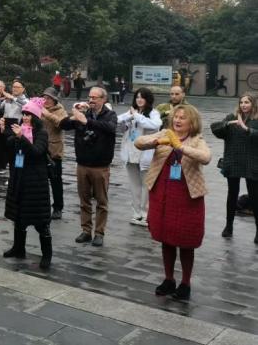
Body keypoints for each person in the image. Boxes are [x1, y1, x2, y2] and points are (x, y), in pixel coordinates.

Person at [135, 105, 211, 300]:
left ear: (192, 122)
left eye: (182, 118)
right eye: (176, 117)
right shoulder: (165, 133)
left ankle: (185, 283)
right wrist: (155, 141)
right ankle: (169, 279)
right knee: (166, 237)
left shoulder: (197, 139)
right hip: (162, 193)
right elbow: (139, 142)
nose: (177, 120)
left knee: (186, 240)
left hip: (187, 196)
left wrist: (181, 147)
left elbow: (206, 157)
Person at [60, 87, 117, 247]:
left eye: (95, 97)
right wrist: (74, 114)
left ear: (103, 99)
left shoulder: (110, 115)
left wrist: (87, 121)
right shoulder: (84, 113)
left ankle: (99, 233)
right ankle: (86, 230)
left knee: (101, 201)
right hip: (82, 164)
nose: (91, 100)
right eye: (90, 97)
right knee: (84, 200)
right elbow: (63, 125)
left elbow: (110, 128)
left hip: (100, 166)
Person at [1, 98, 53, 268]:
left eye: (28, 115)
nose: (24, 117)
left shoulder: (41, 133)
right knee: (19, 217)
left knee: (40, 220)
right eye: (23, 114)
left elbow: (37, 152)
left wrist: (21, 137)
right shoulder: (20, 129)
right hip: (19, 178)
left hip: (35, 181)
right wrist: (6, 133)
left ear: (35, 117)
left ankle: (47, 255)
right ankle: (18, 248)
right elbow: (10, 146)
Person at [210, 93, 258, 242]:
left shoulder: (256, 120)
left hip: (252, 162)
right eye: (241, 102)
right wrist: (227, 124)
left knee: (255, 196)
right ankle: (229, 226)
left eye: (247, 102)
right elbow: (215, 128)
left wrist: (246, 129)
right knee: (232, 194)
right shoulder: (232, 117)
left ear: (253, 104)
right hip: (233, 160)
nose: (244, 105)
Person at [117, 88, 162, 226]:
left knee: (146, 186)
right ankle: (136, 213)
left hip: (145, 154)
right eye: (137, 97)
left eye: (142, 97)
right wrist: (127, 119)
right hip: (130, 153)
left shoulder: (153, 113)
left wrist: (136, 116)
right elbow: (118, 121)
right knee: (134, 186)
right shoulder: (132, 111)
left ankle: (145, 214)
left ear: (148, 99)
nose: (139, 100)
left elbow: (155, 125)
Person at [40, 87, 68, 219]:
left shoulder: (60, 110)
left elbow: (62, 124)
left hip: (54, 151)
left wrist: (47, 114)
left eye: (48, 98)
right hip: (40, 149)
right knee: (40, 180)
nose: (45, 100)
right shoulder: (39, 108)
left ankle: (58, 207)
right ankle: (41, 206)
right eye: (44, 97)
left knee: (56, 181)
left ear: (54, 100)